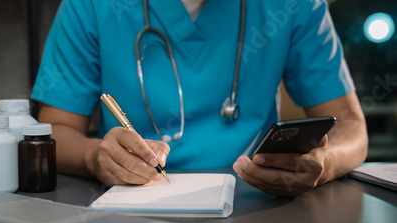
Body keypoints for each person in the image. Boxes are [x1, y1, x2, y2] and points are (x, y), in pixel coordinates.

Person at [32, 0, 368, 197]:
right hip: (134, 203)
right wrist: (95, 157)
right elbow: (55, 130)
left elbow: (352, 127)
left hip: (263, 202)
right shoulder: (90, 6)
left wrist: (323, 164)